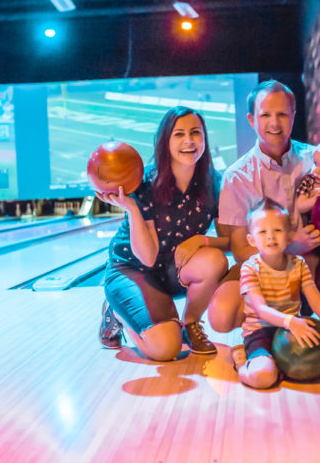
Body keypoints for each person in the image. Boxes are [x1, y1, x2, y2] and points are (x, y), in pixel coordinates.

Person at [207, 79, 320, 335]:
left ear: (293, 116)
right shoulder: (236, 177)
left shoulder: (317, 159)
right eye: (265, 115)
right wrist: (291, 245)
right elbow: (242, 250)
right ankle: (277, 323)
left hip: (315, 266)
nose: (274, 123)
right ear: (251, 120)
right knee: (221, 316)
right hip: (266, 271)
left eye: (282, 114)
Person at [97, 106, 230, 361]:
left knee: (215, 260)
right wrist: (132, 208)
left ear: (204, 138)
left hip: (171, 270)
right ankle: (119, 313)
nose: (189, 141)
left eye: (195, 133)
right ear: (165, 141)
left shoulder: (213, 182)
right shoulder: (145, 182)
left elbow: (229, 242)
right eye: (179, 134)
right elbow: (147, 258)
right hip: (132, 270)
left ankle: (190, 324)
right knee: (166, 349)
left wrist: (201, 240)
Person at [234, 199, 320, 389]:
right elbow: (261, 309)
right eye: (262, 232)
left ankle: (282, 367)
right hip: (261, 332)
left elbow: (313, 295)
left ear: (290, 235)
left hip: (292, 330)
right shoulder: (250, 268)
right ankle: (242, 362)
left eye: (277, 230)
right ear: (251, 240)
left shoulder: (298, 264)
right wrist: (290, 321)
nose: (270, 237)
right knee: (263, 377)